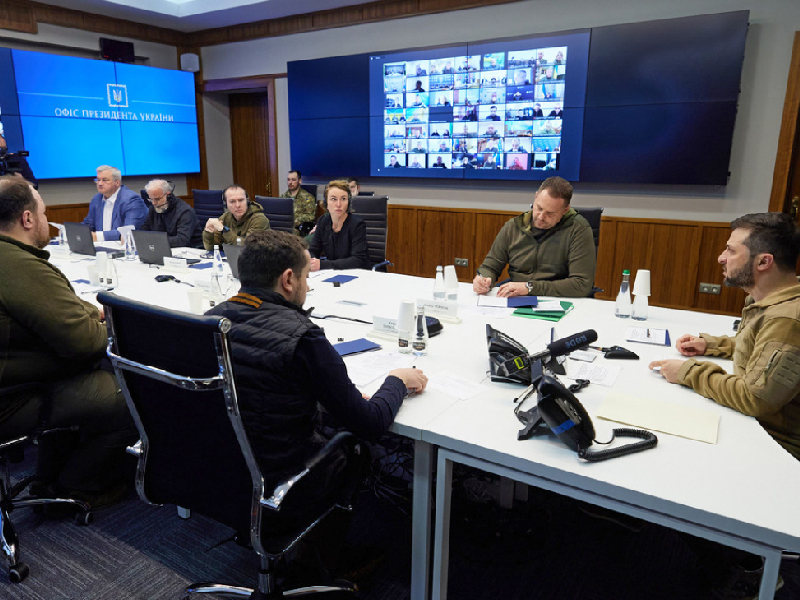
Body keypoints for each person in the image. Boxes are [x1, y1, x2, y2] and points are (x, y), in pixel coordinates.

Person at [206, 229, 427, 501]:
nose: (308, 287)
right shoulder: (304, 338)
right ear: (288, 279)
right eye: (306, 278)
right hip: (287, 477)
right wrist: (398, 381)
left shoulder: (209, 321)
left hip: (222, 465)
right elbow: (370, 424)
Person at [0, 176, 136, 509]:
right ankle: (79, 486)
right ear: (28, 219)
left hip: (13, 381)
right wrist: (116, 327)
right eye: (44, 213)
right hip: (14, 398)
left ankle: (48, 477)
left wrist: (91, 312)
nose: (47, 221)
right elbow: (85, 344)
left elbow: (53, 305)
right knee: (129, 397)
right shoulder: (18, 266)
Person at [649, 213, 800, 462]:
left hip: (774, 448)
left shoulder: (786, 320)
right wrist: (712, 345)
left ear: (763, 262)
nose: (721, 258)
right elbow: (761, 346)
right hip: (752, 426)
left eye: (731, 251)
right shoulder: (775, 301)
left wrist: (689, 372)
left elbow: (754, 399)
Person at [473, 176, 596, 298]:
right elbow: (490, 267)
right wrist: (484, 279)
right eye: (539, 208)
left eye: (550, 213)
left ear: (565, 210)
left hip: (557, 299)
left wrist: (530, 287)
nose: (541, 217)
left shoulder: (578, 229)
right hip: (518, 296)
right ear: (536, 197)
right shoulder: (514, 227)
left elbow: (581, 284)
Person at [308, 180, 370, 271]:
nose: (338, 204)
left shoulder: (357, 224)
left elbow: (357, 260)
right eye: (333, 199)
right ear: (326, 203)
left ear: (348, 202)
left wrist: (322, 264)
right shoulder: (323, 221)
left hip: (356, 275)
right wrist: (312, 261)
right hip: (332, 273)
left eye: (343, 199)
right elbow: (313, 250)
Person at [82, 165, 147, 242]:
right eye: (98, 180)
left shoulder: (131, 200)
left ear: (117, 182)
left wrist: (96, 236)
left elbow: (128, 232)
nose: (100, 183)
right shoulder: (97, 199)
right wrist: (74, 231)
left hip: (124, 248)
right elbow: (88, 224)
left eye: (104, 180)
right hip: (102, 247)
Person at [202, 184, 269, 250]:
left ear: (247, 201)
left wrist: (224, 230)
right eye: (232, 201)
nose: (237, 205)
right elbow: (210, 248)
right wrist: (208, 232)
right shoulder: (225, 218)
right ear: (226, 205)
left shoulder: (259, 219)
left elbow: (247, 247)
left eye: (241, 200)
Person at [139, 179, 200, 248]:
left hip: (189, 250)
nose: (153, 203)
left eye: (157, 199)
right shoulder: (153, 209)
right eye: (151, 199)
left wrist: (155, 240)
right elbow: (144, 231)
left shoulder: (185, 211)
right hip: (164, 248)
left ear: (168, 196)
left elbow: (182, 240)